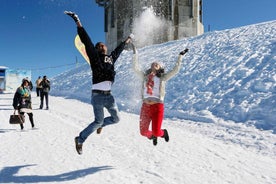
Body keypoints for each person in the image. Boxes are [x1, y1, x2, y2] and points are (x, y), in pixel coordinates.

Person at [65, 11, 132, 155]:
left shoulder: (110, 58)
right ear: (96, 49)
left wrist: (127, 41)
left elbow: (118, 51)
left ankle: (102, 125)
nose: (103, 46)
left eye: (104, 45)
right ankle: (80, 139)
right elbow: (86, 40)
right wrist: (77, 21)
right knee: (97, 122)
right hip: (98, 96)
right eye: (100, 46)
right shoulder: (94, 57)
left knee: (116, 119)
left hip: (109, 96)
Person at [132, 43, 188, 145]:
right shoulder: (145, 77)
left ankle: (163, 133)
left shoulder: (163, 78)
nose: (154, 64)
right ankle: (152, 136)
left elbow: (175, 70)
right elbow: (135, 68)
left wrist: (180, 56)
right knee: (143, 132)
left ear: (159, 68)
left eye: (156, 64)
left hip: (157, 107)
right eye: (153, 64)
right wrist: (135, 54)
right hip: (145, 107)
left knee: (157, 131)